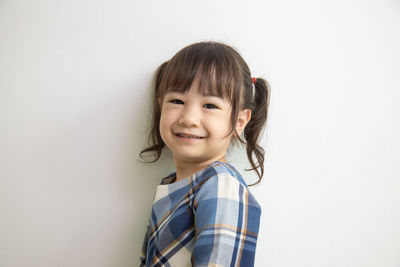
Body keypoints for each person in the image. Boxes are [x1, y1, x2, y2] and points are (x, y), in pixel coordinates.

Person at [139, 41, 271, 267]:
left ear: (239, 121)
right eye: (177, 101)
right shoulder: (179, 184)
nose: (188, 118)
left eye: (209, 105)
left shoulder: (221, 188)